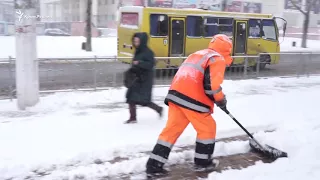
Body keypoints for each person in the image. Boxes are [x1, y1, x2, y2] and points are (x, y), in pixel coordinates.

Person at [145, 34, 233, 175]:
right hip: (193, 99)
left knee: (171, 131)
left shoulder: (198, 54)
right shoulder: (217, 59)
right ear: (227, 49)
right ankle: (203, 163)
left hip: (176, 96)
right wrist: (221, 100)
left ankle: (153, 165)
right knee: (207, 128)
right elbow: (213, 86)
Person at [124, 32, 163, 124]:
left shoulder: (148, 52)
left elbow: (150, 65)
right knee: (131, 99)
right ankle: (132, 118)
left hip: (144, 80)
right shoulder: (138, 51)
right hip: (136, 79)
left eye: (137, 41)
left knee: (144, 101)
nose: (136, 43)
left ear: (142, 42)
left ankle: (159, 109)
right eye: (135, 41)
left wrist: (139, 63)